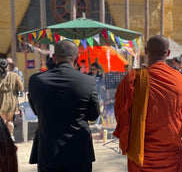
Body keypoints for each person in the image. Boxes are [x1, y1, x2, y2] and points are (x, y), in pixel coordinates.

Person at [113, 35, 182, 172]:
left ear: (146, 51)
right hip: (169, 150)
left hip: (142, 149)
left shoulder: (133, 79)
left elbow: (121, 113)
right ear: (169, 53)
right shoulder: (179, 78)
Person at [28, 40, 100, 172]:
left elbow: (36, 111)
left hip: (48, 151)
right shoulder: (88, 81)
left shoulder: (36, 80)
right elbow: (94, 115)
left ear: (54, 57)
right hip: (79, 151)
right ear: (77, 58)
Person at [0, 59, 23, 142]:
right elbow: (21, 87)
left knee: (2, 121)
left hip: (1, 100)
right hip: (12, 100)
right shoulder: (14, 75)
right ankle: (11, 136)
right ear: (7, 66)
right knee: (10, 120)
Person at [90, 62, 106, 128]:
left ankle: (97, 122)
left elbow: (102, 84)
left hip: (98, 94)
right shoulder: (89, 75)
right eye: (91, 69)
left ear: (97, 69)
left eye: (94, 69)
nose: (92, 71)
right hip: (90, 94)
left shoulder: (100, 76)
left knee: (98, 108)